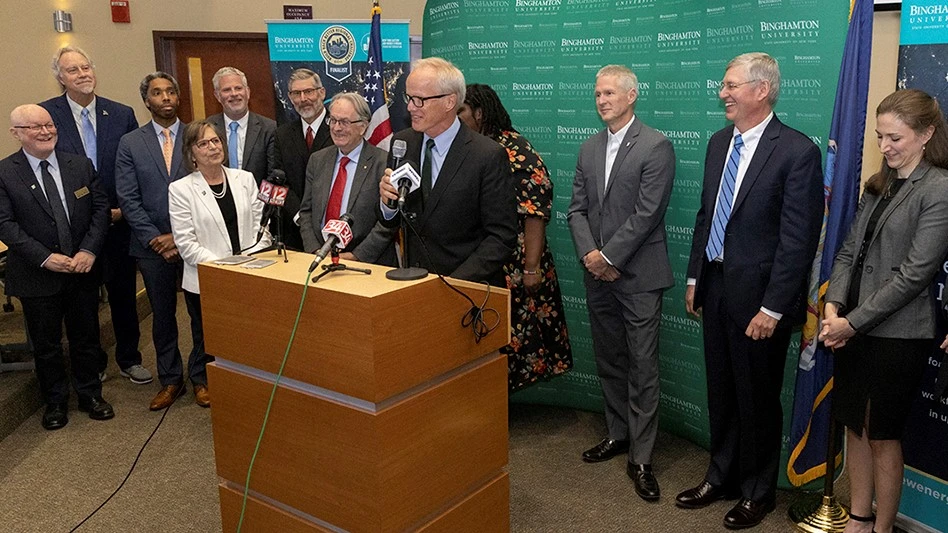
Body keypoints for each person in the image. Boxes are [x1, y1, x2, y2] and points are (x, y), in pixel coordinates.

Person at [681, 52, 824, 529]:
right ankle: (720, 475)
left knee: (757, 396)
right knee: (720, 388)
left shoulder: (797, 151)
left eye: (730, 85)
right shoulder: (719, 142)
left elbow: (797, 241)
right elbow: (707, 215)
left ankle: (758, 491)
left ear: (761, 90)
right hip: (717, 285)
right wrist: (696, 277)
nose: (722, 93)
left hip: (760, 299)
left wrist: (773, 307)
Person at [821, 89, 948, 533]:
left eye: (895, 137)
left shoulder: (939, 189)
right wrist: (834, 305)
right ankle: (859, 517)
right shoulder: (880, 183)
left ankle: (882, 528)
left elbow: (914, 276)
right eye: (880, 136)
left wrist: (849, 324)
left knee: (881, 434)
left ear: (927, 134)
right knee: (854, 427)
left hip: (899, 336)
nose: (885, 147)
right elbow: (848, 252)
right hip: (852, 325)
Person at [566, 65, 675, 501]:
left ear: (632, 96)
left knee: (643, 367)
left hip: (639, 276)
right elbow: (575, 210)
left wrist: (608, 257)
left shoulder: (656, 145)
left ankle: (643, 458)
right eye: (597, 94)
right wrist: (592, 257)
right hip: (598, 275)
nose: (602, 100)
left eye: (610, 92)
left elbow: (648, 214)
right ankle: (618, 434)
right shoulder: (589, 147)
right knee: (609, 358)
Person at [39, 46, 151, 386]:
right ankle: (93, 363)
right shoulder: (47, 115)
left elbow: (132, 166)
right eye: (73, 70)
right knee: (84, 303)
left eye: (86, 67)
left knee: (123, 296)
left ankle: (129, 358)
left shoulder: (121, 113)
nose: (82, 74)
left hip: (118, 221)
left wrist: (121, 210)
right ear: (60, 78)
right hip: (75, 229)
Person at [0, 104, 112, 429]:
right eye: (35, 127)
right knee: (46, 345)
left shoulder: (79, 165)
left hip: (81, 269)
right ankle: (55, 402)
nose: (46, 131)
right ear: (16, 133)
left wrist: (89, 250)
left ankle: (91, 394)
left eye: (48, 124)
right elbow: (5, 225)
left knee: (86, 337)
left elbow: (100, 208)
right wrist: (46, 258)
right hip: (37, 275)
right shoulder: (5, 173)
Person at [457, 84, 573, 390]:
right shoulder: (467, 146)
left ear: (479, 112)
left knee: (512, 335)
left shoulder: (513, 149)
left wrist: (531, 269)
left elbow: (534, 211)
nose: (456, 118)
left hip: (516, 262)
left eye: (461, 111)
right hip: (482, 259)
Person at [377, 57, 516, 285]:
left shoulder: (487, 155)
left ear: (450, 102)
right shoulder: (402, 144)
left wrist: (454, 283)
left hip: (467, 290)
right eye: (409, 98)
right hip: (414, 283)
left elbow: (501, 237)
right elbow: (391, 221)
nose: (410, 107)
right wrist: (387, 203)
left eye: (420, 100)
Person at [168, 121, 271, 408]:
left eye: (216, 141)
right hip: (206, 278)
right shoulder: (181, 190)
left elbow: (262, 227)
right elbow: (186, 243)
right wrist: (226, 267)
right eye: (203, 144)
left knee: (245, 331)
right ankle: (201, 380)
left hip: (250, 271)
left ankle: (243, 378)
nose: (212, 147)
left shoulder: (245, 179)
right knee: (206, 333)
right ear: (191, 153)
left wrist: (248, 259)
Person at [115, 72, 191, 411]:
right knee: (162, 316)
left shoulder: (198, 135)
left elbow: (212, 186)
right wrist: (155, 238)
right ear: (147, 101)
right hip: (151, 245)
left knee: (201, 313)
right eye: (157, 93)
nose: (165, 98)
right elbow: (127, 198)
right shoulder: (130, 142)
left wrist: (181, 237)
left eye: (171, 91)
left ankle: (203, 377)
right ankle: (171, 379)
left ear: (178, 97)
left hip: (195, 241)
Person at [298, 92, 396, 264]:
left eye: (344, 122)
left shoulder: (382, 163)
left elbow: (388, 222)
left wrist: (357, 256)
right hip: (319, 259)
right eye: (333, 120)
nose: (336, 128)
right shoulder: (318, 160)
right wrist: (315, 250)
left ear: (363, 126)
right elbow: (306, 211)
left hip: (366, 264)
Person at [274, 68, 333, 251]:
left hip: (333, 229)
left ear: (321, 93)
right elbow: (277, 182)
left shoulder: (339, 130)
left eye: (309, 91)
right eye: (296, 94)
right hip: (294, 229)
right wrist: (300, 216)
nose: (303, 99)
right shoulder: (282, 134)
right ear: (290, 98)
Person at [207, 66, 276, 186]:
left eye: (238, 88)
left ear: (247, 92)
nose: (234, 94)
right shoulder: (206, 129)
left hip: (258, 201)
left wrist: (257, 203)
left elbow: (273, 174)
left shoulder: (269, 129)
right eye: (227, 90)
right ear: (217, 96)